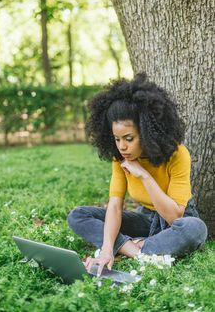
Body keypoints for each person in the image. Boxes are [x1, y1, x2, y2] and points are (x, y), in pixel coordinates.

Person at [67, 73, 207, 277]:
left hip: (176, 220)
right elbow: (115, 205)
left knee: (195, 228)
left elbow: (174, 215)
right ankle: (137, 250)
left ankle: (135, 246)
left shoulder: (177, 154)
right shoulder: (120, 157)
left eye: (129, 138)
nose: (122, 146)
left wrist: (144, 176)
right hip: (145, 220)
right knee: (78, 215)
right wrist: (107, 249)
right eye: (116, 139)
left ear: (147, 132)